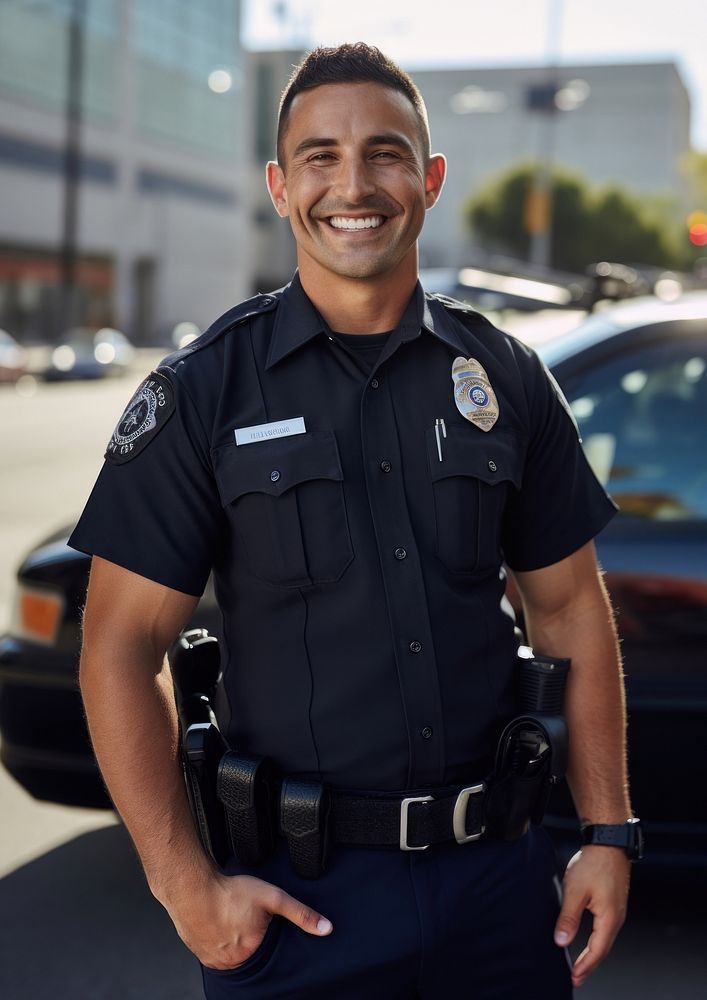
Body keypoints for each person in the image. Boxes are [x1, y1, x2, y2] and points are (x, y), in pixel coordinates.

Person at [71, 42, 636, 999]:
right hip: (301, 909)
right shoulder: (206, 389)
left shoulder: (503, 378)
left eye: (383, 152)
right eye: (319, 157)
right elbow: (121, 647)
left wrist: (607, 832)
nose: (353, 183)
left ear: (430, 178)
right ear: (280, 187)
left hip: (499, 892)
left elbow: (571, 609)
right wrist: (186, 890)